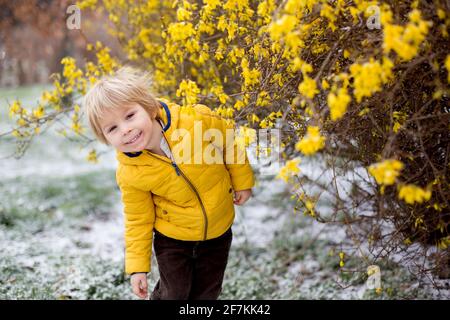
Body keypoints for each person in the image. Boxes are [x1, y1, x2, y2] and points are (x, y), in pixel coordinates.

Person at [82, 66, 255, 299]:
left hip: (218, 231)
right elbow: (137, 219)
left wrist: (242, 180)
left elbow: (228, 142)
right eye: (112, 128)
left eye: (130, 115)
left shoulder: (195, 122)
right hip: (173, 240)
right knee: (174, 293)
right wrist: (137, 268)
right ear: (107, 139)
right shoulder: (131, 172)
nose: (126, 129)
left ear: (150, 108)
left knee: (207, 293)